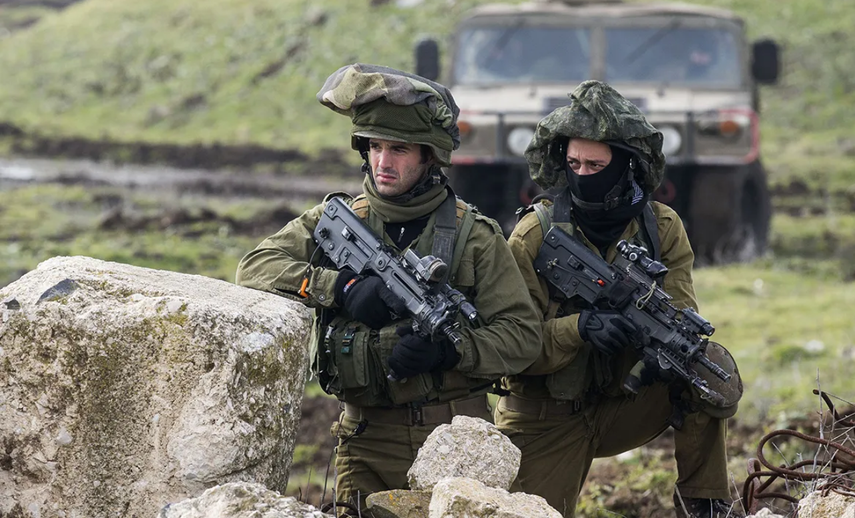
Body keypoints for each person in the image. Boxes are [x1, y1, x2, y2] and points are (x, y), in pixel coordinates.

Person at [235, 63, 542, 516]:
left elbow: (524, 337)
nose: (383, 162)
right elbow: (254, 267)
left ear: (429, 156)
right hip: (365, 440)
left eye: (398, 149)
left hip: (455, 443)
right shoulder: (339, 219)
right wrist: (339, 287)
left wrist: (451, 352)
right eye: (375, 147)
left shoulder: (474, 236)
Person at [494, 80, 743, 518]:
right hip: (545, 416)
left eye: (596, 165)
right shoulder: (535, 234)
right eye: (574, 163)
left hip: (624, 403)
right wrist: (580, 328)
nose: (583, 175)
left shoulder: (661, 228)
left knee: (705, 370)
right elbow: (511, 348)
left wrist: (658, 353)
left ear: (626, 166)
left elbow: (682, 313)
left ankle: (705, 505)